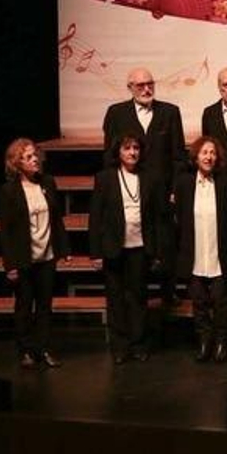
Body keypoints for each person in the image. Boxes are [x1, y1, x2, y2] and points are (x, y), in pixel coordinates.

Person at [88, 133, 168, 364]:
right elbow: (96, 218)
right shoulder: (105, 178)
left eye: (135, 148)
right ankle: (120, 346)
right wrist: (95, 252)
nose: (132, 152)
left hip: (140, 247)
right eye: (127, 148)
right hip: (113, 247)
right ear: (118, 152)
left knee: (138, 297)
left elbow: (157, 218)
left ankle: (138, 344)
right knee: (115, 299)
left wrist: (157, 251)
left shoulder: (150, 177)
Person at [0, 139, 71, 370]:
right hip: (23, 258)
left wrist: (64, 249)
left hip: (46, 255)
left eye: (35, 155)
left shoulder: (47, 182)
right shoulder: (9, 190)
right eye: (28, 157)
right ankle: (25, 350)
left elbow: (56, 219)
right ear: (17, 163)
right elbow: (6, 230)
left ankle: (44, 348)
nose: (35, 160)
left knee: (44, 306)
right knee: (24, 305)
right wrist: (10, 264)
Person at [173, 136, 227, 363]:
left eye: (212, 153)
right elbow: (180, 219)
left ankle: (222, 341)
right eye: (204, 152)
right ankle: (204, 341)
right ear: (196, 156)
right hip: (194, 253)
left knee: (221, 301)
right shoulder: (184, 183)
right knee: (199, 302)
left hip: (220, 253)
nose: (209, 157)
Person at [101, 67, 188, 185]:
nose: (147, 89)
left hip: (162, 187)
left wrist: (176, 189)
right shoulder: (116, 113)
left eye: (150, 84)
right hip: (129, 185)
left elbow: (179, 156)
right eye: (141, 86)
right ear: (130, 87)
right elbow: (110, 155)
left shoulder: (170, 112)